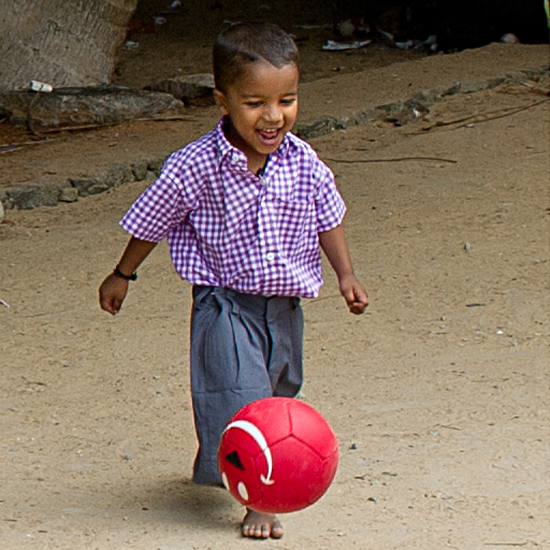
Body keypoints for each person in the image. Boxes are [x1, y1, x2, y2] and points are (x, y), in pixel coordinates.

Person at [98, 21, 368, 539]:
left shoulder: (303, 161)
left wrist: (346, 274)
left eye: (287, 100)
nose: (273, 116)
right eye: (255, 103)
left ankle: (222, 459)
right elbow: (154, 220)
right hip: (224, 305)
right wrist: (122, 273)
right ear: (223, 101)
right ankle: (260, 501)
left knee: (279, 391)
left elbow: (327, 217)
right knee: (243, 396)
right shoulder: (195, 166)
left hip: (284, 306)